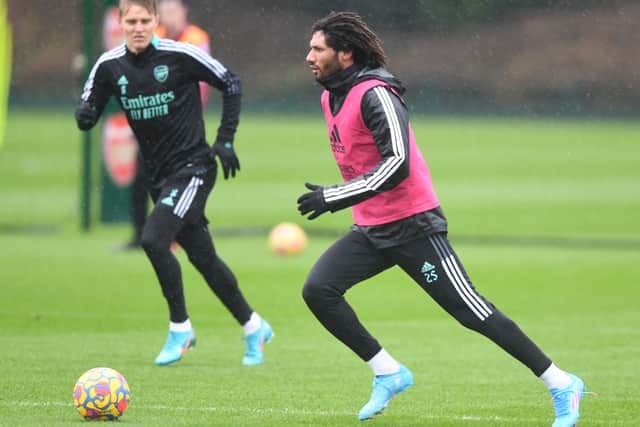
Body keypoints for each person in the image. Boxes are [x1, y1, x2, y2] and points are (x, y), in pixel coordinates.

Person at [298, 11, 589, 425]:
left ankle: (561, 383)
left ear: (344, 54)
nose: (308, 56)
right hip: (371, 228)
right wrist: (345, 199)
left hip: (414, 225)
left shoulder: (375, 94)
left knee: (473, 312)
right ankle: (388, 372)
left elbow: (397, 163)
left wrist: (335, 196)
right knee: (319, 289)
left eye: (317, 49)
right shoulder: (331, 96)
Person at [75, 0, 273, 367]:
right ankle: (253, 325)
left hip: (194, 169)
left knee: (152, 239)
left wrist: (225, 139)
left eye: (144, 20)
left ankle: (180, 328)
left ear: (155, 21)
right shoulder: (109, 65)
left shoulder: (180, 55)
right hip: (158, 177)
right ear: (120, 22)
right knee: (204, 258)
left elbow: (230, 82)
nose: (137, 27)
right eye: (130, 20)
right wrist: (85, 115)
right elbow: (89, 106)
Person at [124, 0, 211, 250]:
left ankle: (182, 235)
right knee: (142, 179)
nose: (167, 16)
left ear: (184, 12)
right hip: (152, 126)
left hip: (182, 128)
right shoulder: (155, 37)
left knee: (181, 182)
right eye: (163, 12)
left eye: (172, 10)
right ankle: (139, 236)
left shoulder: (195, 38)